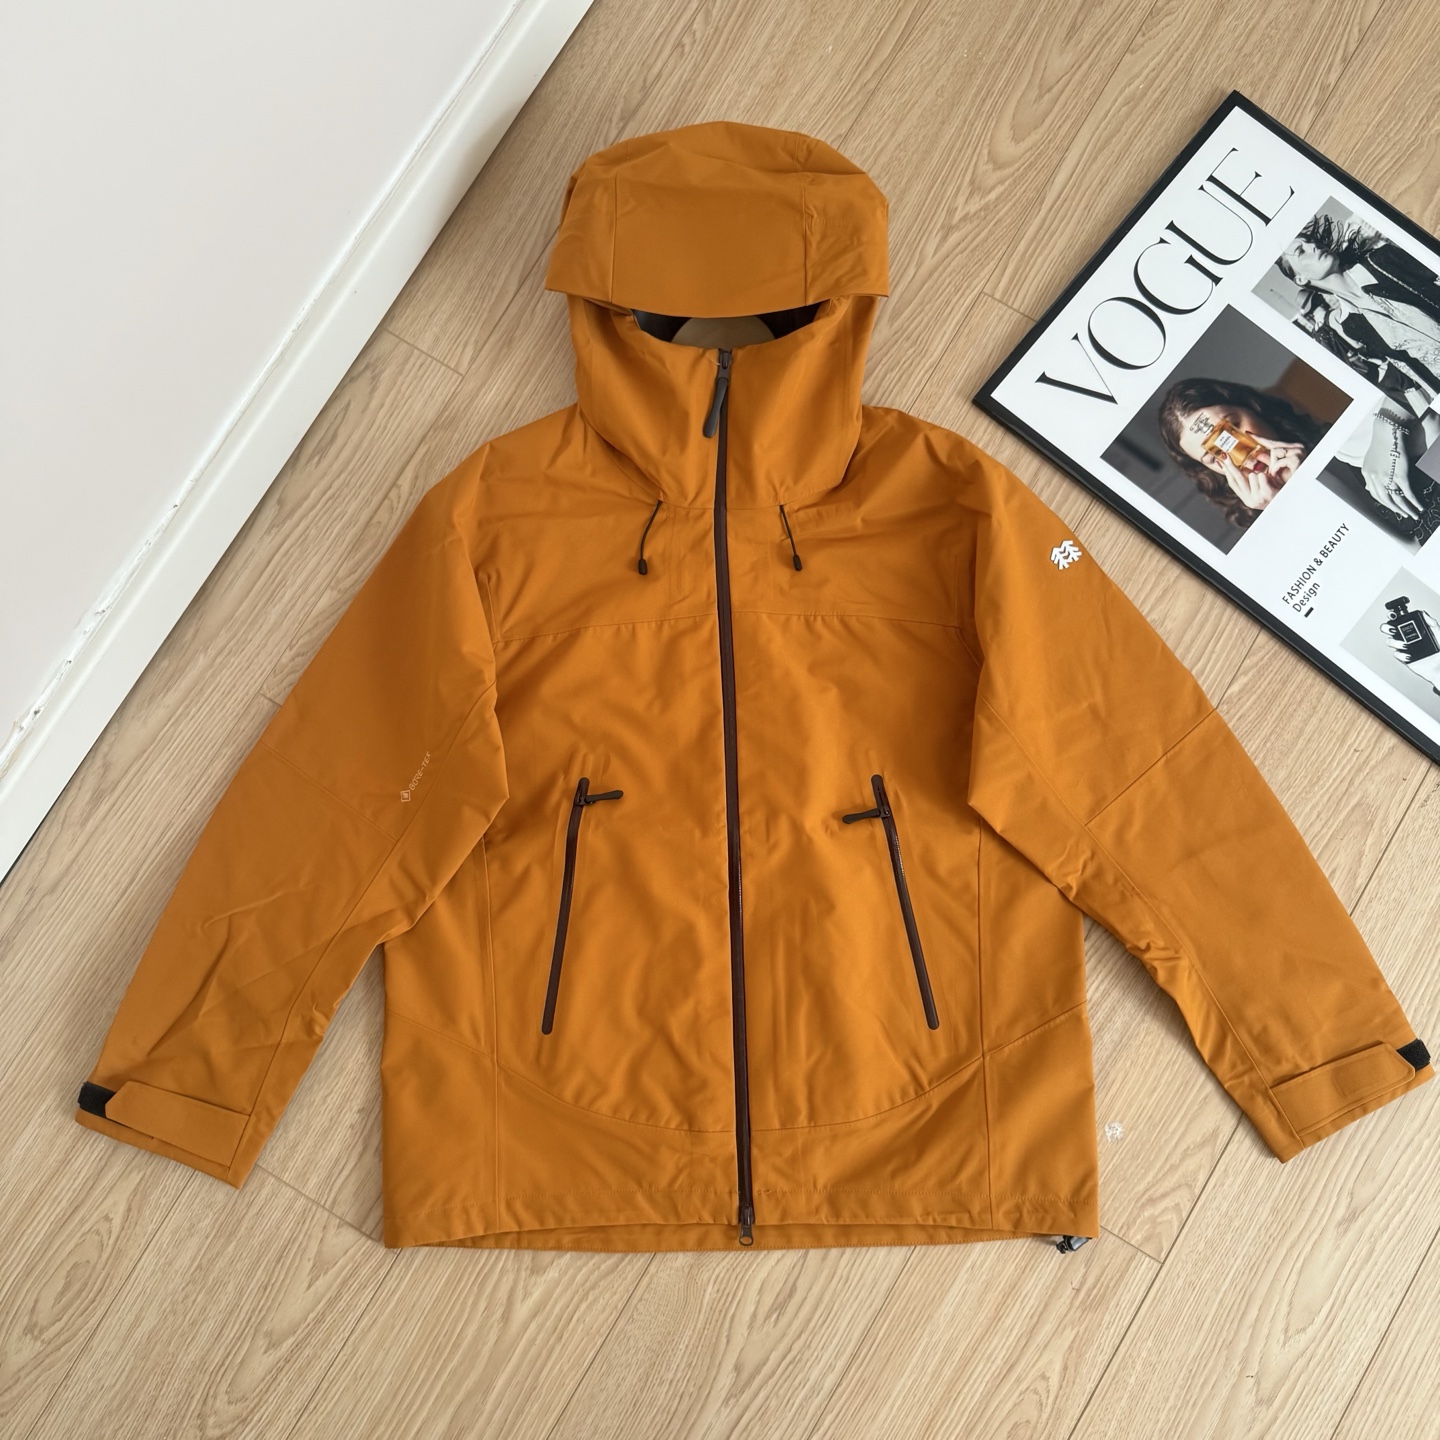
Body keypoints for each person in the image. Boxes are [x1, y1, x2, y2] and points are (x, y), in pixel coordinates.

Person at [1157, 378, 1322, 530]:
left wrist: (1313, 475)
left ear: (1251, 407)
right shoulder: (1258, 530)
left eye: (1234, 427)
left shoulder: (1330, 439)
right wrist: (1282, 508)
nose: (1244, 456)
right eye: (1214, 457)